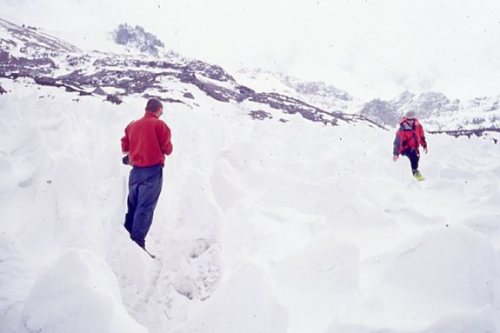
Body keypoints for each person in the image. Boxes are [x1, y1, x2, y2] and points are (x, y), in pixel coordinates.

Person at [121, 98, 173, 252]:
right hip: (152, 171)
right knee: (145, 207)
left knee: (133, 206)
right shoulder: (160, 125)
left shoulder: (132, 125)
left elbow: (125, 147)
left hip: (135, 172)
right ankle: (137, 246)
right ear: (158, 110)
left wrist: (136, 150)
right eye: (161, 111)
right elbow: (168, 150)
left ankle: (124, 241)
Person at [393, 111, 428, 180]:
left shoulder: (418, 126)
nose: (411, 121)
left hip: (414, 148)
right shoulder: (402, 129)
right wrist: (396, 153)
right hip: (404, 148)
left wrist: (424, 145)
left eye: (412, 119)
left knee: (416, 157)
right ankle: (414, 173)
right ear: (406, 119)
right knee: (413, 156)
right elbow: (397, 142)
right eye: (409, 119)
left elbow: (421, 136)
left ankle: (415, 172)